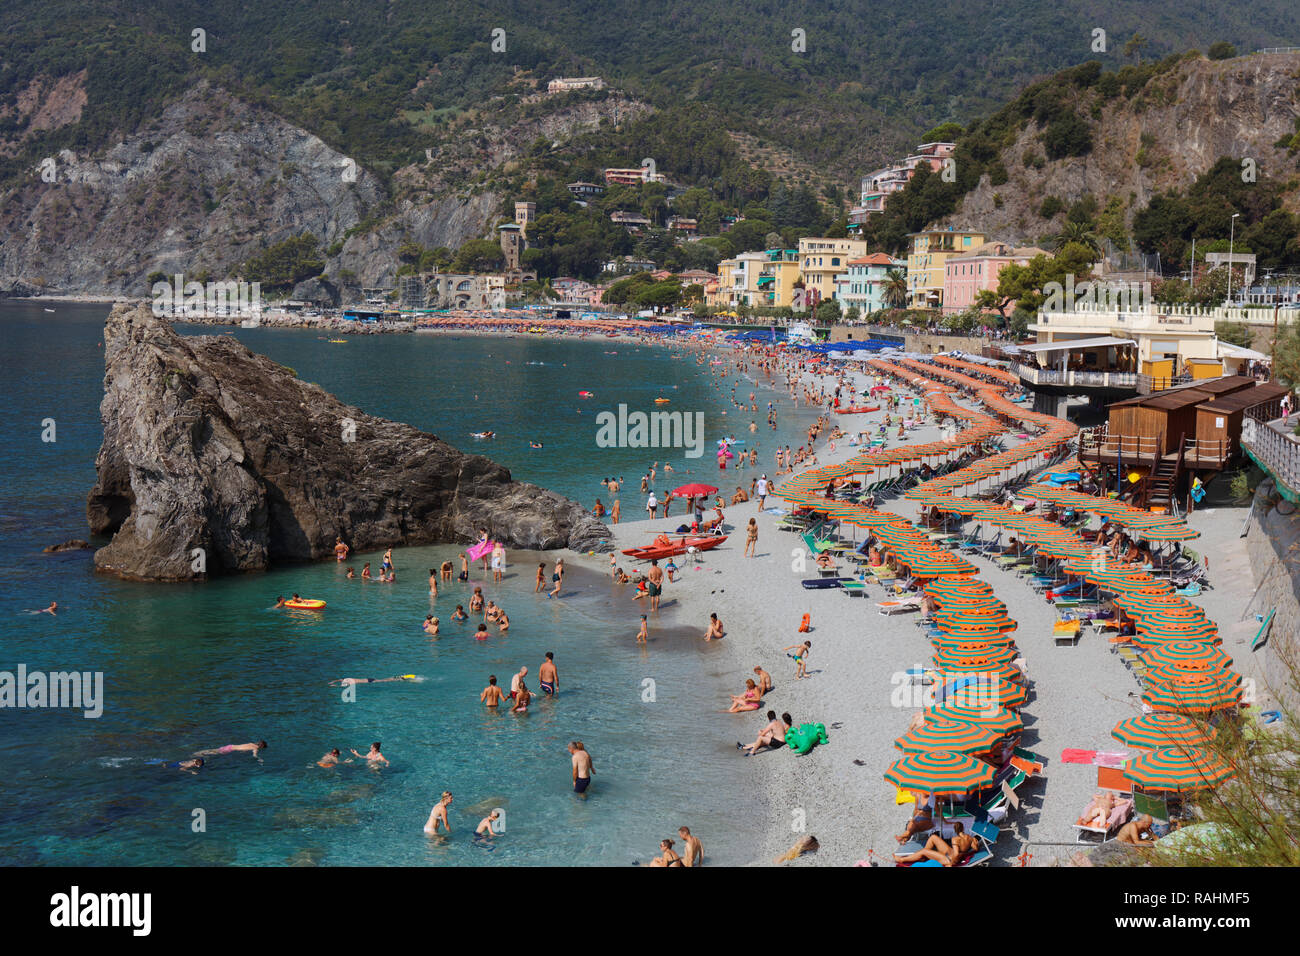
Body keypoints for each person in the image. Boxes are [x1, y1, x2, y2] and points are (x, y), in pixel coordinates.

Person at [893, 822, 978, 866]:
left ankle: (901, 860)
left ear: (955, 830)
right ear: (963, 828)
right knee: (933, 837)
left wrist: (950, 864)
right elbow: (975, 849)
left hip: (949, 859)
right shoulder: (970, 837)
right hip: (950, 853)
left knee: (924, 851)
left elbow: (956, 854)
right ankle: (923, 857)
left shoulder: (955, 839)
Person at [194, 741, 267, 757]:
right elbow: (254, 755)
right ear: (261, 747)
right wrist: (259, 759)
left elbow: (243, 747)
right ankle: (199, 755)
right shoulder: (255, 749)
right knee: (214, 753)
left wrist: (243, 751)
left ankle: (198, 752)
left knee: (215, 750)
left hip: (230, 746)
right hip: (230, 750)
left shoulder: (251, 743)